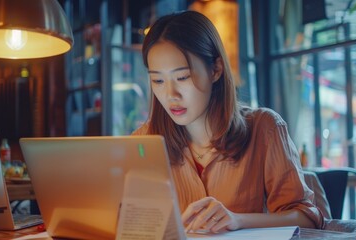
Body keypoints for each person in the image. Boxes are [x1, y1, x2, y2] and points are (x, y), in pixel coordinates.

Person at [133, 10, 325, 233]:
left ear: (215, 70)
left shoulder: (264, 128)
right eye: (158, 80)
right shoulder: (144, 142)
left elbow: (307, 218)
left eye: (182, 77)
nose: (170, 94)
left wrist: (238, 220)